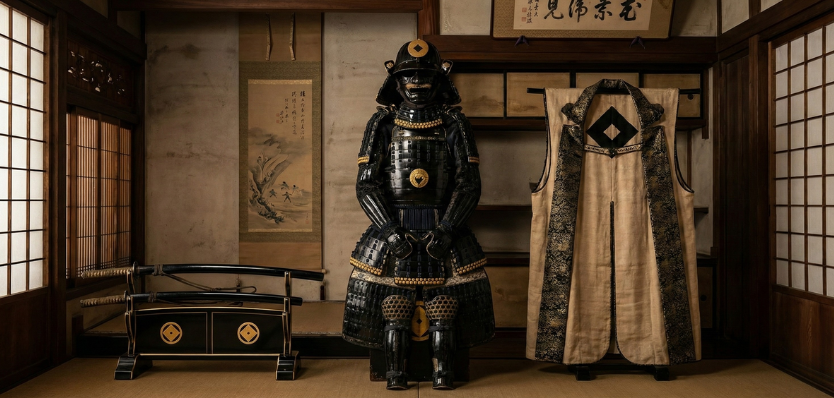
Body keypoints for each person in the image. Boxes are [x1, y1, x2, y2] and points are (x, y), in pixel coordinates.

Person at [342, 39, 494, 390]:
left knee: (448, 306)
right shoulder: (381, 123)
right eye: (409, 76)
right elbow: (367, 184)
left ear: (439, 80)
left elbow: (468, 184)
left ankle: (444, 370)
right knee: (390, 309)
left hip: (447, 228)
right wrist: (390, 231)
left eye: (423, 76)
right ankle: (395, 371)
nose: (416, 84)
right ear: (395, 81)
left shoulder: (455, 122)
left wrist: (448, 228)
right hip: (392, 229)